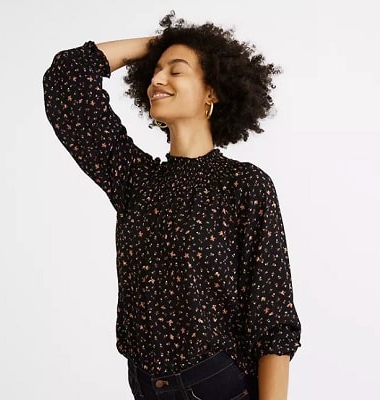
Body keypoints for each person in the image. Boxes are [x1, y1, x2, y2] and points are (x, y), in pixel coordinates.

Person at [43, 11, 301, 400]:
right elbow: (67, 78)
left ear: (211, 90)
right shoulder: (136, 181)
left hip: (220, 387)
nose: (157, 80)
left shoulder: (244, 185)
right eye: (154, 72)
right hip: (146, 388)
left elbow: (272, 319)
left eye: (175, 71)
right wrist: (157, 46)